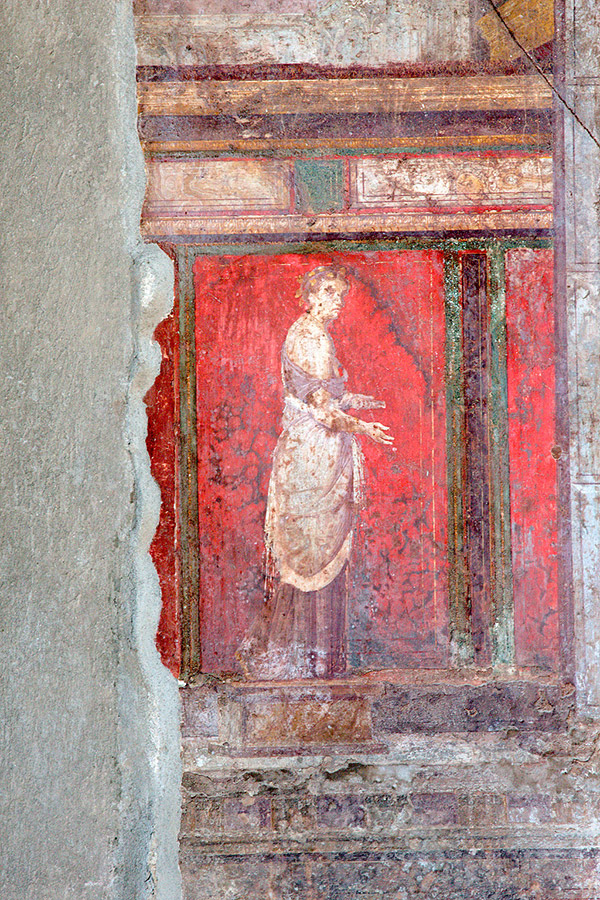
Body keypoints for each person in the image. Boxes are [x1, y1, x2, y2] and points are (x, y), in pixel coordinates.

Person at [237, 265, 393, 679]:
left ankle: (313, 665)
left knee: (312, 549)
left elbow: (315, 397)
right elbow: (322, 412)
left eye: (340, 293)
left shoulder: (311, 333)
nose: (337, 300)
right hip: (313, 459)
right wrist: (365, 428)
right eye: (329, 292)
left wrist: (356, 401)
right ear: (308, 296)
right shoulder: (311, 338)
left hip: (314, 454)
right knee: (310, 550)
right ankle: (306, 666)